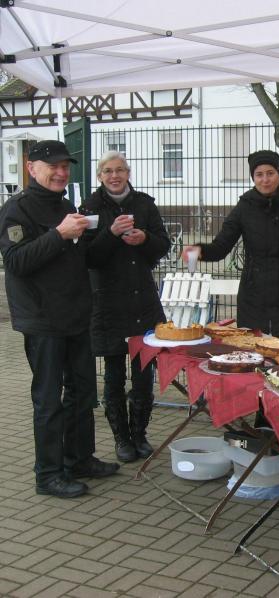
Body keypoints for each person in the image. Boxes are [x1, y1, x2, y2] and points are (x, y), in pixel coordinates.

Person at [0, 140, 119, 498]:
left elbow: (82, 258)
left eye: (65, 166)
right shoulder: (16, 209)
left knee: (82, 393)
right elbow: (16, 262)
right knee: (48, 400)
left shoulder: (65, 205)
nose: (61, 172)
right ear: (31, 167)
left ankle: (79, 459)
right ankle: (48, 474)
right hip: (42, 319)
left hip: (76, 315)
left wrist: (109, 236)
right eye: (53, 166)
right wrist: (59, 234)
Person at [83, 152, 170, 463]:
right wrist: (111, 234)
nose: (114, 175)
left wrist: (145, 238)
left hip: (142, 300)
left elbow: (163, 245)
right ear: (100, 176)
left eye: (120, 170)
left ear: (128, 173)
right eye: (108, 171)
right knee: (114, 376)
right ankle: (121, 438)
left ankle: (140, 434)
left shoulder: (144, 204)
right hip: (108, 302)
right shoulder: (90, 207)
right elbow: (88, 257)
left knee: (144, 373)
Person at [182, 150, 279, 337]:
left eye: (270, 173)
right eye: (259, 174)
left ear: (278, 174)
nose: (265, 180)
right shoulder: (245, 206)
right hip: (252, 300)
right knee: (252, 353)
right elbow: (221, 246)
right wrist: (200, 250)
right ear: (253, 177)